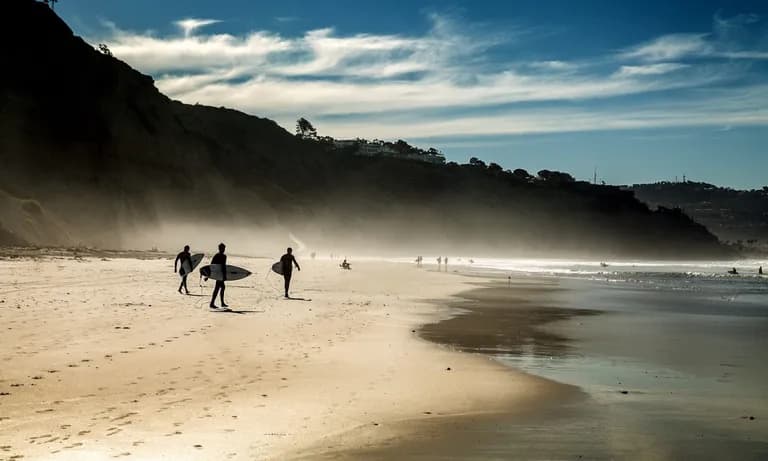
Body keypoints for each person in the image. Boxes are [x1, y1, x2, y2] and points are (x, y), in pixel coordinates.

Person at [209, 243, 228, 309]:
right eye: (222, 248)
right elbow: (212, 265)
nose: (223, 249)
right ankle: (212, 303)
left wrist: (224, 275)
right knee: (218, 288)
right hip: (219, 274)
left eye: (224, 248)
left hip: (219, 274)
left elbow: (223, 266)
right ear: (219, 248)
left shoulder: (221, 256)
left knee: (222, 287)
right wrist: (209, 275)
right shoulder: (219, 256)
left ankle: (220, 303)